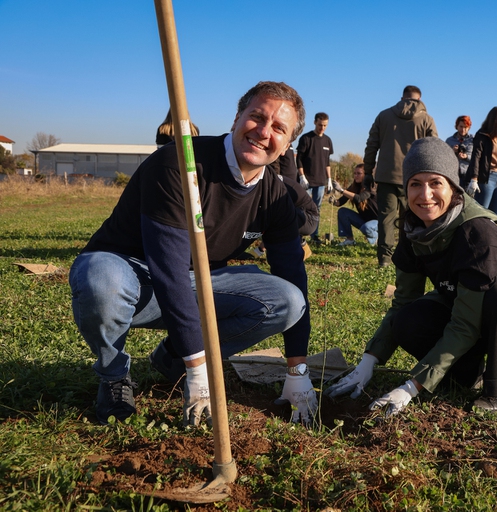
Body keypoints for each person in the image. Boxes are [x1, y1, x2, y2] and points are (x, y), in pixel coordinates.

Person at [69, 81, 317, 427]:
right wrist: (199, 368)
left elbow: (293, 273)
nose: (264, 132)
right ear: (237, 118)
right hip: (132, 274)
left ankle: (173, 356)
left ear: (288, 144)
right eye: (257, 117)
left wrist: (297, 371)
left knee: (288, 300)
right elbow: (168, 269)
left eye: (278, 128)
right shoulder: (179, 164)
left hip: (198, 280)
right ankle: (114, 377)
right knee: (100, 279)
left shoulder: (275, 196)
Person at [325, 137, 497, 416]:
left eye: (436, 183)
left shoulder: (477, 234)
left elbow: (465, 323)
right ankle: (465, 375)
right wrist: (369, 360)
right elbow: (402, 302)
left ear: (453, 187)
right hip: (466, 308)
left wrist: (413, 385)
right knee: (407, 320)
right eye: (415, 184)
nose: (425, 195)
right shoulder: (413, 230)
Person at [364, 85, 438, 267]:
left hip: (386, 175)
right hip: (414, 177)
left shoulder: (384, 116)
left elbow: (372, 145)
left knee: (386, 218)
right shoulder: (426, 119)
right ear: (419, 100)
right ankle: (408, 255)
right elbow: (434, 149)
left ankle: (385, 258)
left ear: (402, 98)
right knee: (411, 218)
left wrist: (367, 171)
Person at [297, 113, 334, 243]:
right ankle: (300, 235)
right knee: (303, 208)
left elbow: (327, 162)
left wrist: (329, 179)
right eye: (320, 125)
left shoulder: (327, 141)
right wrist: (302, 176)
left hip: (320, 182)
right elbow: (299, 159)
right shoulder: (306, 138)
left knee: (316, 209)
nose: (322, 128)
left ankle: (314, 235)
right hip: (306, 181)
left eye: (325, 125)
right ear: (314, 122)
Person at [466, 107, 497, 215]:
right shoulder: (483, 135)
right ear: (494, 120)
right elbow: (476, 157)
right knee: (482, 212)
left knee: (494, 213)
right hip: (487, 177)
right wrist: (474, 179)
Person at [330, 163, 378, 246]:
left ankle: (377, 238)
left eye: (359, 173)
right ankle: (349, 240)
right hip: (364, 220)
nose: (356, 176)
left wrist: (341, 190)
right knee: (342, 212)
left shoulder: (371, 186)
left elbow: (359, 198)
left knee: (367, 227)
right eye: (355, 173)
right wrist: (334, 201)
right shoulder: (354, 187)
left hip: (378, 221)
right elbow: (340, 202)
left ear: (365, 175)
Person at [445, 115, 474, 189]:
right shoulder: (449, 140)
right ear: (457, 126)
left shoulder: (473, 140)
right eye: (461, 126)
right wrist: (452, 151)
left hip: (468, 175)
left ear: (469, 127)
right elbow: (445, 158)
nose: (463, 129)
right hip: (453, 174)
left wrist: (466, 157)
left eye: (465, 127)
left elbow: (477, 158)